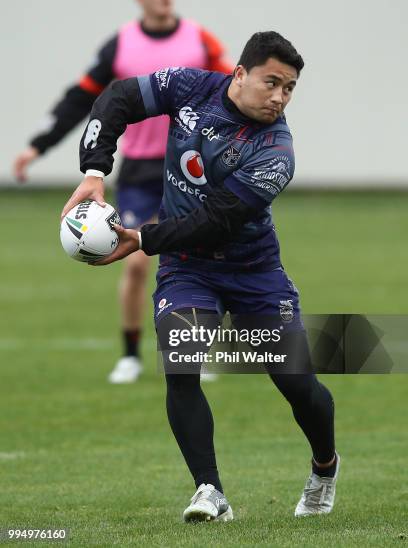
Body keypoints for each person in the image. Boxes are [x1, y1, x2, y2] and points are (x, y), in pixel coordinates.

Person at [62, 31, 340, 520]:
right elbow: (117, 97)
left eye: (290, 88)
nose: (280, 97)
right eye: (271, 82)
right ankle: (210, 490)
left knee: (295, 382)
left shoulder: (276, 150)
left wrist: (140, 239)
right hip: (188, 270)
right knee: (182, 363)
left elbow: (216, 219)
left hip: (254, 272)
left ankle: (324, 466)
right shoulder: (191, 88)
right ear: (239, 74)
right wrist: (94, 171)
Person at [14, 0, 232, 383]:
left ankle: (196, 352)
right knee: (134, 263)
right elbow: (82, 99)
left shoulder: (199, 40)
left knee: (197, 257)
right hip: (139, 172)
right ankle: (130, 354)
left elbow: (234, 92)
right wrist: (37, 146)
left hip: (191, 169)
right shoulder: (122, 44)